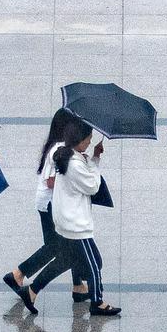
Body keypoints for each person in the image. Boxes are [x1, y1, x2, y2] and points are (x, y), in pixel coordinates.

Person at [1, 108, 92, 313]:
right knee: (60, 248)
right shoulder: (59, 148)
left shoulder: (59, 145)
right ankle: (18, 274)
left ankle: (78, 286)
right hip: (52, 205)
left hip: (50, 204)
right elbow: (51, 181)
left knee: (66, 245)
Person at [49, 122, 121, 318]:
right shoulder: (74, 164)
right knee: (93, 264)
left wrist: (94, 157)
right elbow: (92, 186)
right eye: (88, 139)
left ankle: (37, 290)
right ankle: (97, 302)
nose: (90, 141)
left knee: (86, 261)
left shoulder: (72, 157)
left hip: (69, 221)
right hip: (76, 224)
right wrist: (95, 163)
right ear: (78, 141)